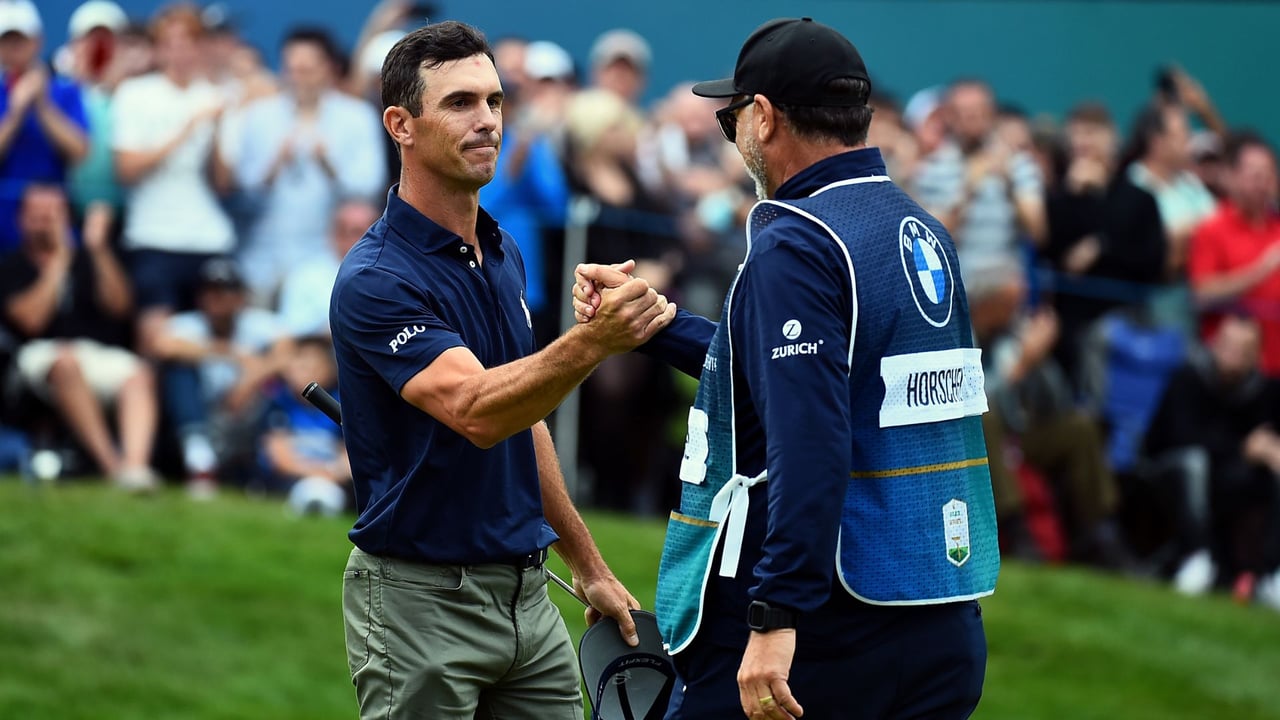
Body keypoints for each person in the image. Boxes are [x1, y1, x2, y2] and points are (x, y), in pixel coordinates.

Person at [576, 17, 997, 719]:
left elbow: (811, 440)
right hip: (938, 617)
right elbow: (811, 377)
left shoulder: (799, 242)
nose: (732, 133)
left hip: (825, 632)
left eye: (730, 117)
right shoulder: (916, 225)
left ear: (763, 118)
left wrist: (774, 618)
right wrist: (657, 323)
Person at [328, 21, 676, 719]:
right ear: (401, 123)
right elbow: (480, 411)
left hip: (529, 598)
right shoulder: (375, 277)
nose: (487, 120)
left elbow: (525, 418)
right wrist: (591, 343)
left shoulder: (501, 250)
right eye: (460, 103)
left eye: (494, 100)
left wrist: (588, 564)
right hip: (417, 606)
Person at [0, 184, 157, 489]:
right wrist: (59, 260)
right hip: (35, 358)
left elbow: (121, 306)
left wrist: (98, 250)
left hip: (95, 352)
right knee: (67, 363)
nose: (46, 221)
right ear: (20, 220)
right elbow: (30, 321)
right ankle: (112, 467)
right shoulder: (11, 265)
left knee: (139, 374)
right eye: (38, 215)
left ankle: (135, 468)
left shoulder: (90, 259)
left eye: (53, 214)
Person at [112, 3, 235, 358]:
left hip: (209, 237)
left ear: (199, 47)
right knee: (153, 341)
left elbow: (223, 183)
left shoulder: (215, 96)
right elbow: (127, 170)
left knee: (217, 336)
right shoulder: (135, 94)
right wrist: (187, 127)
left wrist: (218, 130)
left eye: (187, 43)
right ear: (158, 48)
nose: (179, 52)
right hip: (154, 236)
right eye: (170, 43)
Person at [232, 26, 385, 302]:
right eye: (291, 69)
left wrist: (329, 165)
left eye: (307, 70)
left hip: (326, 265)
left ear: (328, 68)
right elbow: (240, 195)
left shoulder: (357, 117)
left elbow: (369, 191)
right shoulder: (258, 116)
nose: (297, 78)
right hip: (261, 261)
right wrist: (272, 168)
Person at [150, 257, 290, 498]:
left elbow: (287, 352)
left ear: (240, 296)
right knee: (177, 371)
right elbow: (162, 345)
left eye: (225, 290)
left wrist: (251, 378)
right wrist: (228, 352)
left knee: (278, 381)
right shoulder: (189, 323)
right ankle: (198, 455)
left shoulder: (256, 323)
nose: (216, 298)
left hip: (242, 414)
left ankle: (257, 468)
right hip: (198, 414)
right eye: (209, 290)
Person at [1188, 132, 1280, 377]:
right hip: (1233, 372)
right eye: (1254, 175)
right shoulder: (1212, 228)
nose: (1263, 183)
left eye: (1268, 174)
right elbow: (1202, 293)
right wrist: (1262, 269)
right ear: (1232, 177)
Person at [0, 0, 89, 252]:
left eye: (21, 40)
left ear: (37, 41)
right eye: (7, 40)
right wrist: (16, 113)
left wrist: (42, 106)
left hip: (54, 223)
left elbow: (80, 150)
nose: (13, 48)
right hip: (3, 225)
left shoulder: (66, 91)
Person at [277, 198, 380, 338]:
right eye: (356, 232)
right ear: (335, 235)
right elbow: (293, 332)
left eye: (372, 232)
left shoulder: (394, 274)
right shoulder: (305, 276)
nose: (368, 239)